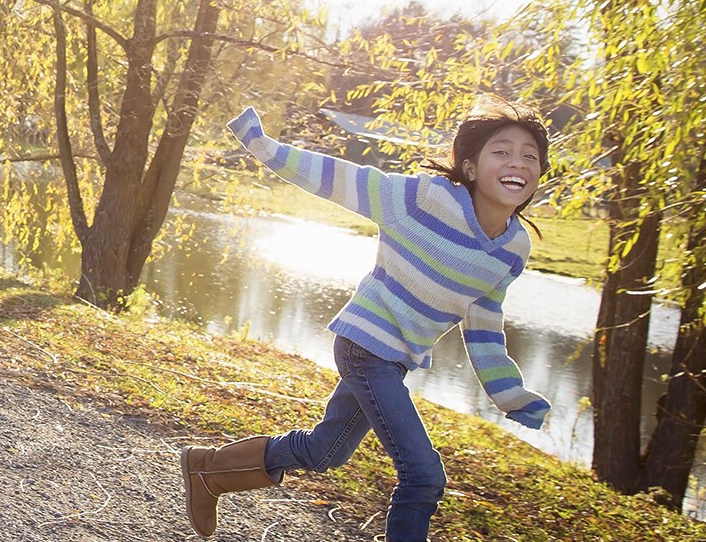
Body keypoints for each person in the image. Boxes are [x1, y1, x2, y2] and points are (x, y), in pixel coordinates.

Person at [181, 97, 552, 542]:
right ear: (470, 168)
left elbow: (484, 321)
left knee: (326, 450)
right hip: (365, 344)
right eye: (503, 151)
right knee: (423, 475)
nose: (518, 162)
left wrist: (509, 394)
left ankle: (210, 470)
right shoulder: (424, 200)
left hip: (394, 360)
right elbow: (345, 180)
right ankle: (212, 471)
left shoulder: (513, 249)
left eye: (530, 155)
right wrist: (264, 147)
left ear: (537, 175)